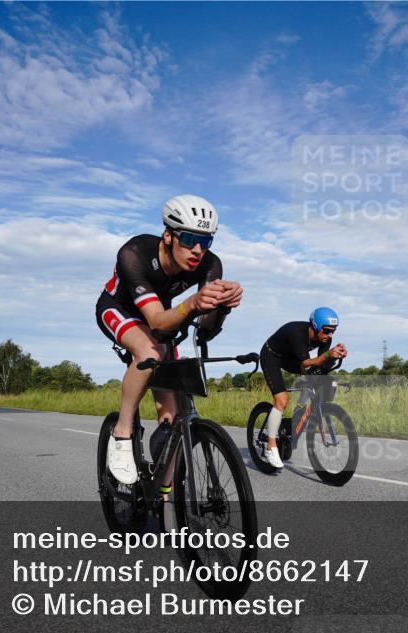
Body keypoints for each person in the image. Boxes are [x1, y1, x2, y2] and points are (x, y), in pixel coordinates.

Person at [96, 194, 242, 492]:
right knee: (150, 350)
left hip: (163, 317)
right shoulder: (134, 253)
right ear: (168, 235)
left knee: (173, 419)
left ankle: (162, 493)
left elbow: (205, 330)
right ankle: (122, 432)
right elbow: (157, 322)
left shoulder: (210, 264)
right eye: (189, 239)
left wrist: (222, 307)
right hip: (120, 308)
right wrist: (193, 303)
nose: (198, 250)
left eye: (206, 241)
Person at [258, 307, 347, 468]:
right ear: (315, 326)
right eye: (327, 331)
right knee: (282, 400)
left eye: (333, 331)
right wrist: (328, 354)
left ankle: (296, 417)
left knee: (315, 377)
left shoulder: (326, 339)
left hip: (291, 359)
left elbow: (322, 363)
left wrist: (334, 357)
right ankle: (271, 446)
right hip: (271, 356)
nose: (330, 335)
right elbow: (306, 363)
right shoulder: (297, 332)